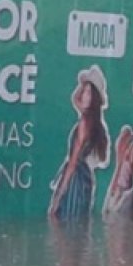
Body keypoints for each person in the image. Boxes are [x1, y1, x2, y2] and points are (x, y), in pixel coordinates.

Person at [49, 66, 110, 218]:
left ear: (94, 98)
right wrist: (85, 83)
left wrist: (58, 196)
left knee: (65, 225)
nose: (83, 95)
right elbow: (75, 99)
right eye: (84, 91)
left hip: (75, 181)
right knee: (78, 228)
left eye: (89, 92)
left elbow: (73, 161)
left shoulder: (85, 122)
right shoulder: (95, 124)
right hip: (85, 181)